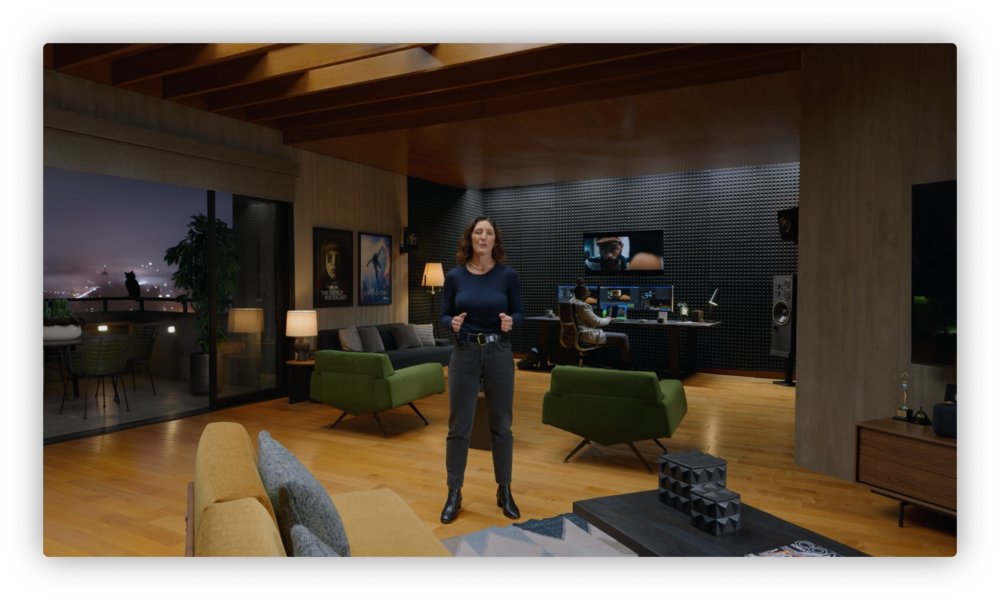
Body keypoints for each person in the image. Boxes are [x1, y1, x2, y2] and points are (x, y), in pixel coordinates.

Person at [439, 216, 524, 524]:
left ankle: (504, 490)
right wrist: (453, 323)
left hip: (499, 352)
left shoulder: (508, 275)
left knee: (501, 425)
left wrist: (511, 321)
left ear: (495, 240)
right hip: (464, 353)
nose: (483, 237)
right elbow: (445, 314)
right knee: (458, 426)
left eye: (489, 233)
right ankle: (454, 493)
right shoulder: (455, 276)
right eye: (478, 232)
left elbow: (518, 311)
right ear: (470, 239)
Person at [570, 278, 632, 366]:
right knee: (623, 337)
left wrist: (582, 291)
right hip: (586, 335)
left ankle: (602, 364)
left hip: (576, 335)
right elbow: (597, 322)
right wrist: (608, 319)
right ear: (584, 294)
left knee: (603, 338)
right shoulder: (583, 305)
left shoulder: (571, 302)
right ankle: (629, 366)